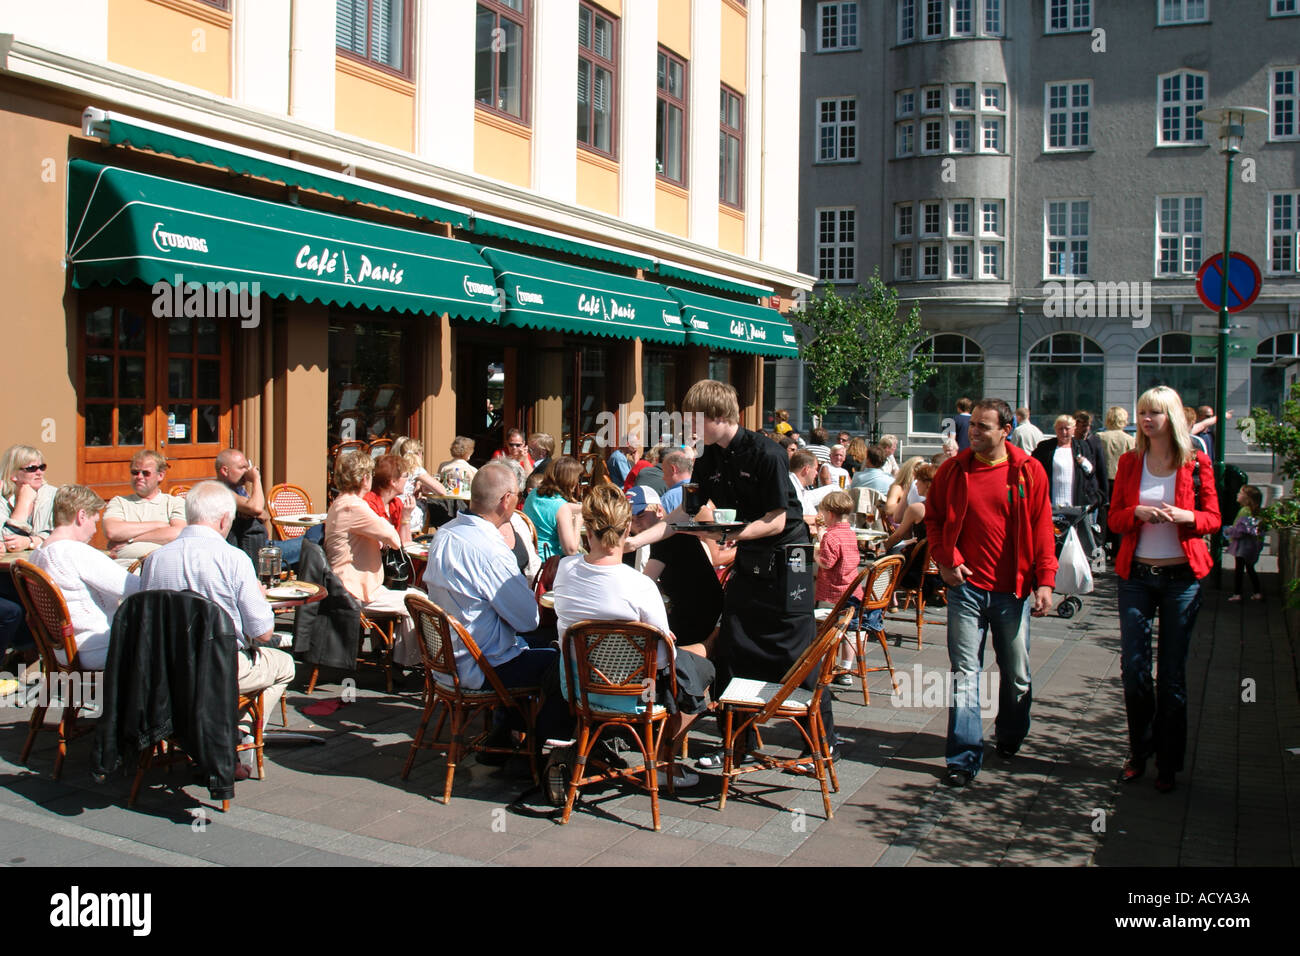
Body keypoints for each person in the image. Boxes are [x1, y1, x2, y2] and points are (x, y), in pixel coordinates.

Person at [626, 380, 834, 769]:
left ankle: (822, 741)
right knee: (734, 643)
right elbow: (684, 512)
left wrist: (731, 535)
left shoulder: (767, 454)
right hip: (750, 560)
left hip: (790, 563)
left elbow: (776, 520)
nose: (686, 425)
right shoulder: (708, 457)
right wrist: (635, 544)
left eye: (693, 418)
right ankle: (734, 743)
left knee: (796, 650)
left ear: (719, 418)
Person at [925, 398, 1057, 788]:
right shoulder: (953, 470)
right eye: (973, 426)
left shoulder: (1028, 472)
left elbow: (1043, 526)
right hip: (965, 589)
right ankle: (963, 758)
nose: (974, 431)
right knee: (966, 673)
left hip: (1012, 591)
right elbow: (933, 521)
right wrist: (946, 558)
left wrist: (1045, 580)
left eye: (983, 426)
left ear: (1005, 430)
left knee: (1016, 674)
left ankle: (1010, 734)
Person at [552, 484, 715, 789]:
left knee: (692, 659)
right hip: (637, 694)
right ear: (627, 528)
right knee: (700, 673)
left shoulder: (565, 569)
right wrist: (662, 637)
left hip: (578, 688)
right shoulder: (639, 585)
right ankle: (660, 758)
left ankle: (627, 745)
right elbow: (665, 658)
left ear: (589, 528)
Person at [1109, 385, 1220, 793]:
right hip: (1137, 576)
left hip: (1181, 580)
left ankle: (1169, 763)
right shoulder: (1129, 462)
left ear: (1170, 416)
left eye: (1154, 412)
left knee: (1171, 675)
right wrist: (1134, 512)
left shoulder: (1195, 463)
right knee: (1134, 669)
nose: (1146, 419)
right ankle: (1140, 751)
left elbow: (1213, 519)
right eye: (1142, 413)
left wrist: (1185, 515)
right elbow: (1114, 518)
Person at [422, 462, 568, 740]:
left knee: (539, 645)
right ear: (506, 500)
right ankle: (536, 751)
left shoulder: (444, 533)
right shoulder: (490, 549)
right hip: (480, 666)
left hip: (446, 660)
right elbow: (528, 619)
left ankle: (504, 734)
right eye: (518, 496)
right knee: (565, 663)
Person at [139, 481, 295, 739]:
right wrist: (260, 597)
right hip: (219, 667)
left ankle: (202, 733)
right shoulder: (233, 559)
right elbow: (263, 633)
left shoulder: (156, 559)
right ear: (224, 520)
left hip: (165, 667)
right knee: (285, 665)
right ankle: (241, 736)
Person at [324, 451, 422, 668]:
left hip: (347, 584)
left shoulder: (340, 502)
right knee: (418, 603)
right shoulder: (354, 506)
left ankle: (396, 657)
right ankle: (405, 663)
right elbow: (393, 537)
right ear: (364, 478)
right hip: (355, 591)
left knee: (413, 596)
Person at [29, 485, 141, 671]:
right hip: (96, 647)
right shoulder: (74, 552)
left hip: (62, 649)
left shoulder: (37, 555)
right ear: (81, 516)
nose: (95, 530)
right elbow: (135, 588)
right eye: (94, 521)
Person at [811, 490, 864, 686]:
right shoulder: (850, 533)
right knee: (849, 630)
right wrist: (821, 534)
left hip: (834, 593)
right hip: (853, 590)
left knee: (826, 628)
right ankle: (846, 668)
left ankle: (820, 664)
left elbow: (826, 562)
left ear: (830, 514)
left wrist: (816, 555)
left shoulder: (831, 537)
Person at [102, 450, 187, 566]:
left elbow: (178, 533)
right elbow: (112, 531)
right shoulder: (119, 502)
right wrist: (159, 525)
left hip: (162, 566)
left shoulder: (174, 503)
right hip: (125, 567)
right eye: (135, 472)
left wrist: (131, 540)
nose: (139, 477)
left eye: (146, 473)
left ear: (160, 475)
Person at [1033, 415, 1104, 513]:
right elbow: (1034, 468)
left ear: (1074, 429)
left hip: (1076, 503)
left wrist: (1084, 463)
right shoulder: (1045, 447)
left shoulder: (1082, 446)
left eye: (1067, 429)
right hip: (1051, 503)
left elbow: (1091, 472)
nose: (1063, 432)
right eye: (1060, 429)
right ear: (1055, 429)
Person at [523, 456, 583, 560]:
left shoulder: (533, 494)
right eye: (577, 478)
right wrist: (578, 522)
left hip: (531, 556)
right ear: (569, 481)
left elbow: (554, 507)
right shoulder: (562, 509)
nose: (577, 482)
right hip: (550, 563)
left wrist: (584, 507)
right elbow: (570, 550)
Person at [214, 448, 268, 560]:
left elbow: (264, 515)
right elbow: (257, 508)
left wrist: (251, 511)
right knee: (308, 543)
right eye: (242, 468)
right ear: (225, 471)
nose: (247, 471)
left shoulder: (239, 490)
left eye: (247, 467)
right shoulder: (219, 490)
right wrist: (256, 479)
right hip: (236, 551)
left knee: (309, 539)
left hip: (258, 545)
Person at [1, 444, 57, 550]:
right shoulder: (2, 498)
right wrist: (23, 504)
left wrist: (30, 542)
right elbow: (5, 542)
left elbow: (63, 536)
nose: (39, 473)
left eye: (42, 467)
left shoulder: (54, 496)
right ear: (13, 474)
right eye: (32, 468)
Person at [392, 436, 448, 536]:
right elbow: (442, 491)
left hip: (394, 509)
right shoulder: (416, 469)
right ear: (419, 454)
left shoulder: (396, 467)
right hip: (408, 512)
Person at [363, 454, 414, 546]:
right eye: (406, 475)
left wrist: (406, 517)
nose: (408, 480)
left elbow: (406, 545)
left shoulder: (396, 504)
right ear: (393, 481)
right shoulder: (369, 504)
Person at [1225, 484, 1264, 603]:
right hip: (1251, 545)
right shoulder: (1256, 512)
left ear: (1247, 498)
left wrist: (1229, 531)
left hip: (1242, 546)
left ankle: (1237, 593)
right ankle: (1257, 592)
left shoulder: (1244, 511)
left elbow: (1241, 529)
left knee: (1239, 570)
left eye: (1240, 493)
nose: (1238, 495)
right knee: (1250, 568)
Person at [886, 456, 927, 524]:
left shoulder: (924, 487)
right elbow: (889, 509)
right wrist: (907, 504)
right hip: (899, 526)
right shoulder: (898, 487)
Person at [658, 449, 694, 516]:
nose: (663, 478)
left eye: (664, 472)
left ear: (673, 469)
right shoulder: (705, 491)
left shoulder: (668, 499)